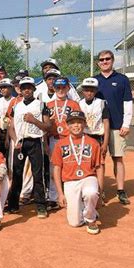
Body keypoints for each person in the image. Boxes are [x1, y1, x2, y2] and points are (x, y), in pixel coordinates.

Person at [7, 77, 51, 217]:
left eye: (29, 87)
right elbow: (11, 127)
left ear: (33, 89)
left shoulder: (41, 105)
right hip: (20, 143)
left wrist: (34, 120)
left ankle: (41, 205)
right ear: (20, 89)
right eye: (23, 87)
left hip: (35, 141)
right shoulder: (16, 106)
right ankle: (13, 205)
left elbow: (48, 126)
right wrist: (15, 140)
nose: (26, 90)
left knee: (38, 174)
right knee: (17, 174)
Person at [52, 111, 102, 235]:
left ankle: (91, 218)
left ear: (84, 124)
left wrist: (100, 191)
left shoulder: (93, 143)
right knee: (74, 223)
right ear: (67, 125)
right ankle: (86, 208)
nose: (76, 125)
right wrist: (60, 193)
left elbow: (99, 167)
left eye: (79, 122)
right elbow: (57, 169)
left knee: (91, 193)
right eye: (72, 123)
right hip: (70, 181)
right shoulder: (60, 144)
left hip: (88, 177)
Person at [94, 50, 133, 205]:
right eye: (102, 59)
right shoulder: (94, 81)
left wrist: (126, 124)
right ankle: (100, 191)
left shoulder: (122, 79)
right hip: (98, 127)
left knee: (118, 158)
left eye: (107, 59)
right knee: (100, 161)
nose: (105, 61)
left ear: (112, 60)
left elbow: (128, 103)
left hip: (117, 126)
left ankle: (121, 190)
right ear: (98, 63)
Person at [46, 77, 82, 209]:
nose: (60, 90)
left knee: (70, 166)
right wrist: (45, 143)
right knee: (53, 168)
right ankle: (53, 197)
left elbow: (79, 123)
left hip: (69, 140)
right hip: (53, 139)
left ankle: (72, 195)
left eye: (63, 87)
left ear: (68, 88)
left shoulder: (73, 104)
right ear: (53, 89)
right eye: (57, 88)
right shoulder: (48, 104)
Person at [78, 77, 110, 204]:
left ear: (96, 91)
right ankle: (84, 191)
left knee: (100, 164)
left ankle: (100, 192)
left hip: (97, 137)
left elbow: (106, 123)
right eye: (86, 90)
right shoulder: (80, 104)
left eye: (92, 90)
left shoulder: (102, 103)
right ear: (83, 91)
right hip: (84, 137)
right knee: (84, 163)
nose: (89, 93)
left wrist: (106, 142)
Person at [0, 78, 14, 154]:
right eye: (1, 88)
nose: (2, 89)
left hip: (10, 132)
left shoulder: (15, 101)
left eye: (5, 87)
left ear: (11, 88)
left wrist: (7, 137)